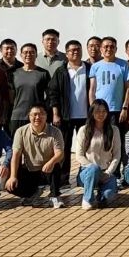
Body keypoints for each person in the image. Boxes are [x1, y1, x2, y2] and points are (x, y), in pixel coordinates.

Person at [5, 104, 65, 208]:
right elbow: (16, 155)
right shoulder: (21, 131)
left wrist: (51, 162)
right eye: (34, 114)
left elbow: (60, 153)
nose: (38, 117)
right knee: (10, 184)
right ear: (29, 116)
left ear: (46, 116)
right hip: (30, 170)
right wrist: (13, 176)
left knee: (55, 165)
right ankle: (32, 194)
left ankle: (55, 195)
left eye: (41, 114)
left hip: (48, 170)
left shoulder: (55, 131)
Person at [49, 40, 90, 188]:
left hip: (86, 116)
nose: (75, 52)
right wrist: (55, 114)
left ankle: (84, 177)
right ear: (66, 53)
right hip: (66, 116)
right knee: (64, 147)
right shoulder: (61, 71)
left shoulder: (89, 69)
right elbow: (53, 93)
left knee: (86, 147)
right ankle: (63, 179)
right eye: (72, 50)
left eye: (78, 49)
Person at [75, 98, 121, 210]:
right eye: (97, 111)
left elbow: (117, 155)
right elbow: (79, 155)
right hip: (88, 171)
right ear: (92, 113)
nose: (101, 114)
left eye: (104, 111)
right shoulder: (84, 130)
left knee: (109, 195)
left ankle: (100, 195)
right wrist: (94, 168)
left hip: (106, 172)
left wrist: (108, 172)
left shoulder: (114, 130)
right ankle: (87, 199)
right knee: (94, 168)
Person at [87, 36, 129, 126]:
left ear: (116, 49)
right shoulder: (95, 66)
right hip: (99, 110)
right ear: (101, 49)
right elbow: (92, 89)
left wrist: (125, 108)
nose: (109, 49)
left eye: (112, 47)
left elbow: (128, 88)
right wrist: (93, 108)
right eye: (106, 47)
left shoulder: (124, 64)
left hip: (117, 110)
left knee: (115, 133)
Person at [9, 43, 51, 136]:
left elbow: (50, 95)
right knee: (16, 143)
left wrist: (44, 110)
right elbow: (10, 96)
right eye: (25, 52)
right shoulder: (14, 73)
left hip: (37, 116)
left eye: (32, 52)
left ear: (36, 55)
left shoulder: (43, 73)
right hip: (17, 116)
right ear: (21, 55)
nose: (28, 55)